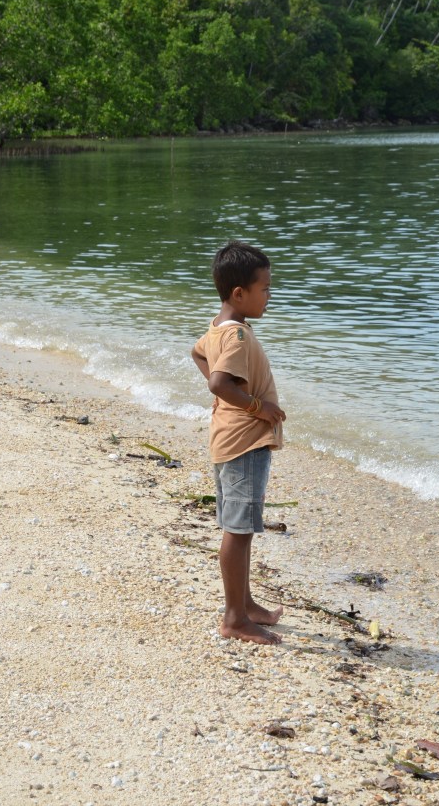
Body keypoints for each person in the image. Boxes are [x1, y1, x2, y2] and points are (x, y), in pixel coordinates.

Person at [191, 241, 287, 645]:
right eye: (264, 288)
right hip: (244, 442)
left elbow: (198, 354)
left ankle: (245, 604)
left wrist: (231, 399)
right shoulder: (238, 336)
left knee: (239, 526)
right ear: (239, 293)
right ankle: (234, 618)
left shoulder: (219, 327)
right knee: (239, 530)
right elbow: (218, 382)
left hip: (228, 438)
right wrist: (257, 407)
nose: (269, 295)